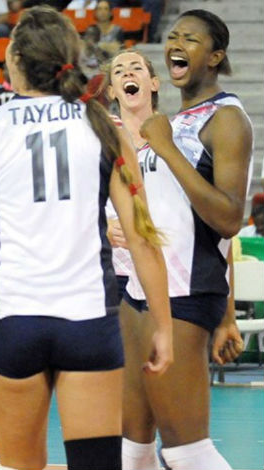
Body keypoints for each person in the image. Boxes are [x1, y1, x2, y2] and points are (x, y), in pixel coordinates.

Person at [0, 7, 173, 470]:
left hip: (14, 320)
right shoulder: (102, 125)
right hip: (88, 320)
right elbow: (142, 238)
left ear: (15, 59)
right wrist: (164, 325)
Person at [108, 9, 253, 469]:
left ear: (215, 56)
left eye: (190, 39)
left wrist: (166, 147)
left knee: (187, 450)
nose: (175, 44)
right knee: (132, 446)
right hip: (141, 290)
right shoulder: (174, 121)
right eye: (172, 36)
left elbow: (228, 221)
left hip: (186, 293)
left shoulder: (227, 118)